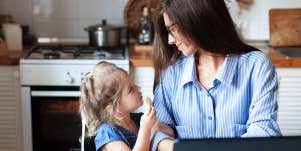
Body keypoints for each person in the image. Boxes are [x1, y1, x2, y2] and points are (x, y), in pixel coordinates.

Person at [151, 0, 282, 151]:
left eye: (173, 29)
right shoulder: (171, 73)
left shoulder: (256, 66)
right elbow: (157, 135)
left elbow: (264, 132)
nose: (170, 40)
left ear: (197, 20)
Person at [79, 61, 174, 151]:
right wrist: (145, 129)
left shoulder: (138, 119)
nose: (138, 88)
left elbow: (171, 134)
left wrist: (157, 125)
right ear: (112, 107)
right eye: (130, 89)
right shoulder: (108, 134)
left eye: (133, 84)